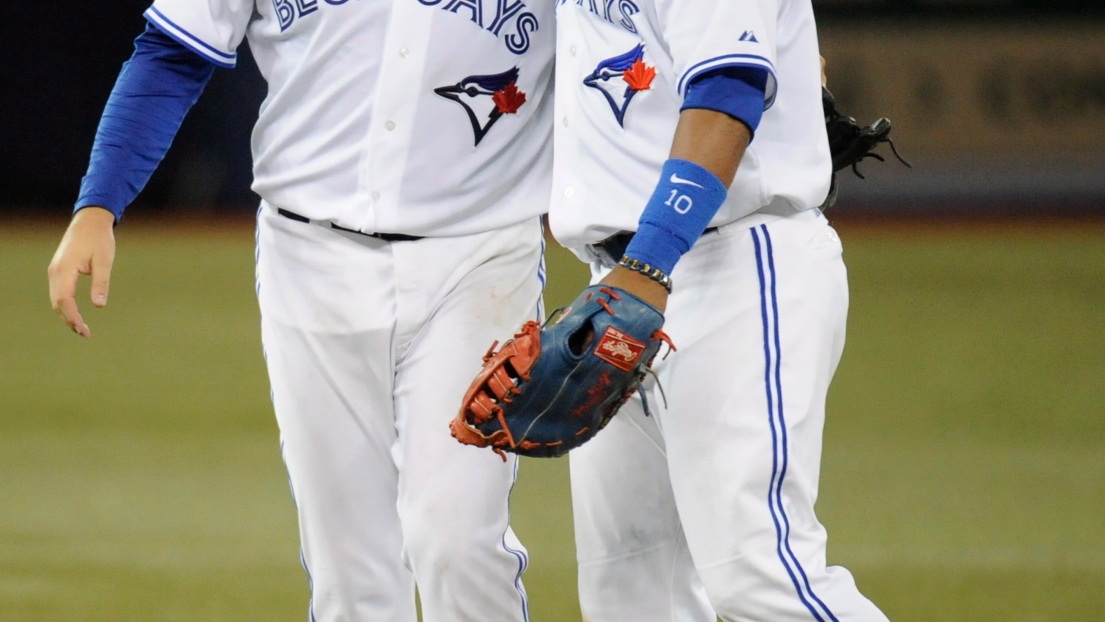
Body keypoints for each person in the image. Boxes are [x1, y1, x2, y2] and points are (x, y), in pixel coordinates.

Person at [47, 1, 555, 620]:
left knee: (458, 544)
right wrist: (99, 203)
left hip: (480, 258)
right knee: (351, 573)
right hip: (309, 255)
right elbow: (174, 52)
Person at [548, 1, 891, 620]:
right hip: (619, 284)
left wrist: (646, 265)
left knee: (760, 576)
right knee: (632, 594)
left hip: (726, 262)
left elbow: (726, 89)